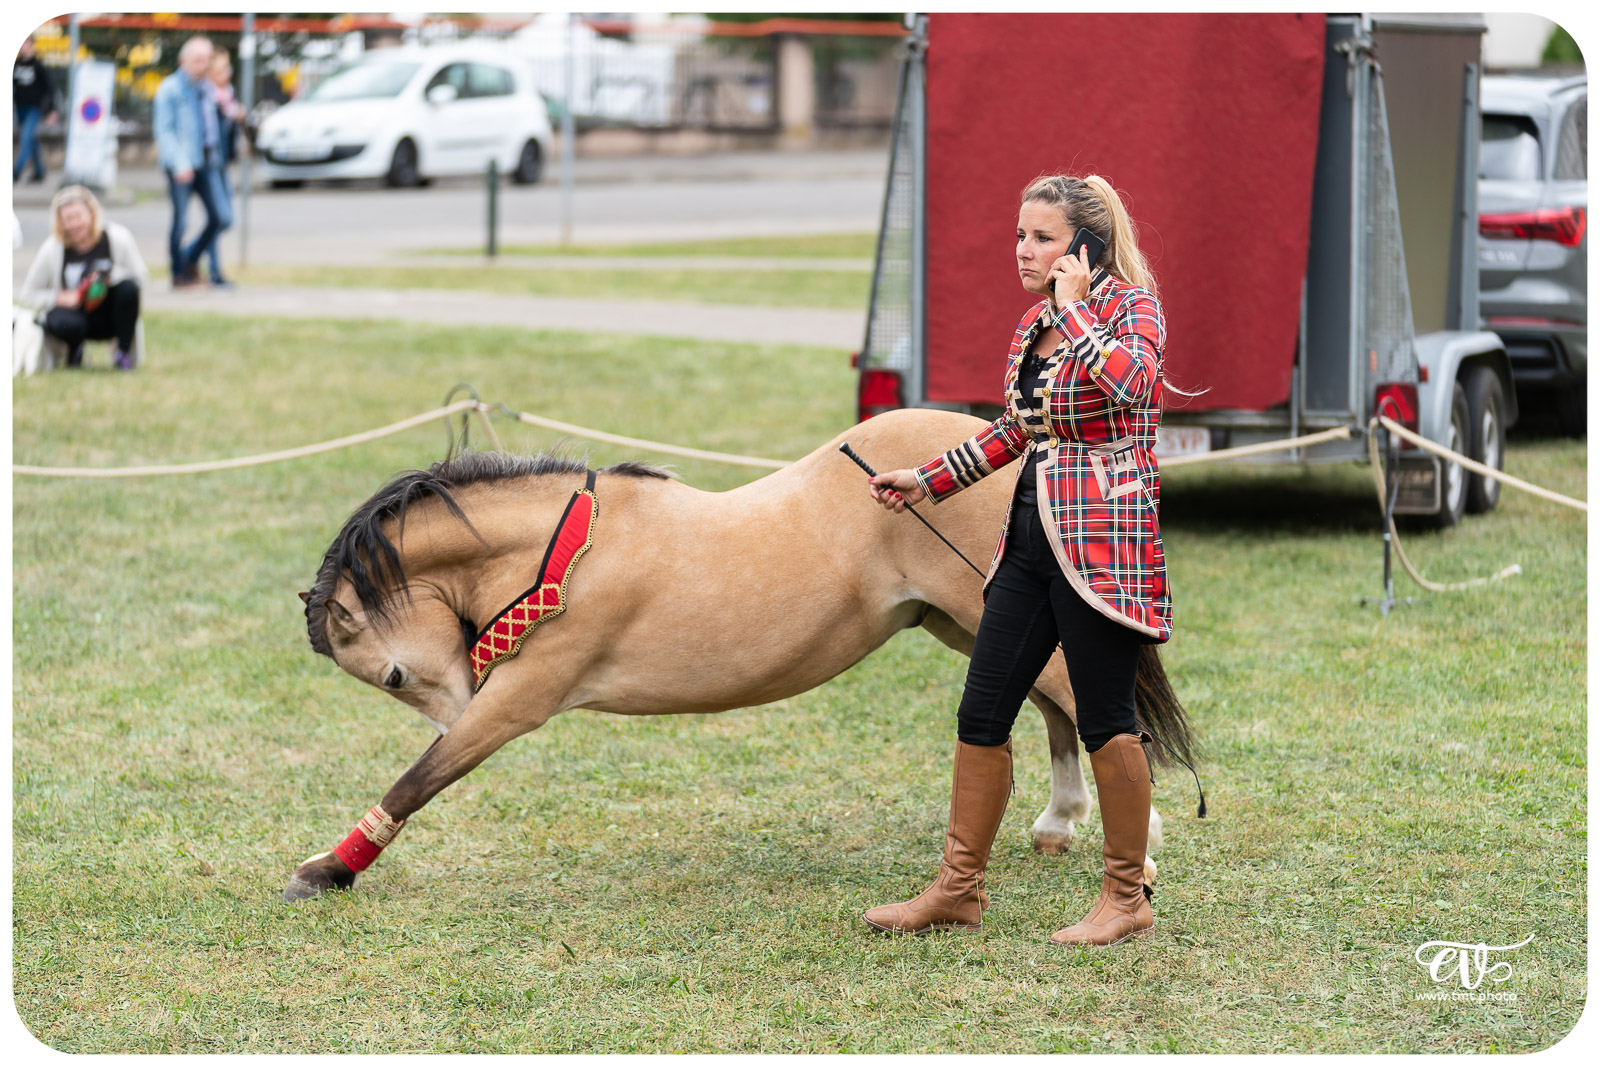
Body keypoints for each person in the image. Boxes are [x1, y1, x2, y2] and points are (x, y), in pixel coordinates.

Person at [862, 173, 1187, 947]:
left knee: (1108, 715)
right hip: (1030, 540)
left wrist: (1076, 312)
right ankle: (957, 888)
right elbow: (1015, 429)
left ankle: (1125, 894)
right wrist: (927, 479)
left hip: (1102, 547)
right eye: (1019, 234)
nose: (1023, 250)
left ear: (1084, 246)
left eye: (1041, 237)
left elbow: (1134, 384)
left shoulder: (1128, 308)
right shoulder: (1030, 325)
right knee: (982, 709)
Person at [21, 185, 149, 370]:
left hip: (106, 313)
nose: (74, 224)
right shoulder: (52, 248)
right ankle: (74, 350)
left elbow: (141, 279)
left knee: (128, 290)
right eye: (67, 219)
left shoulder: (117, 238)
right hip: (74, 316)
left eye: (78, 217)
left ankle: (122, 354)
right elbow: (28, 293)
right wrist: (63, 297)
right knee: (66, 322)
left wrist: (108, 279)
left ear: (91, 214)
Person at [152, 36, 232, 288]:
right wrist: (179, 163)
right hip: (183, 166)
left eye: (207, 59)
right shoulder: (170, 89)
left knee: (221, 217)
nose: (203, 64)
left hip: (208, 163)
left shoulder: (207, 88)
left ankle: (190, 258)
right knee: (181, 221)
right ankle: (179, 274)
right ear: (183, 60)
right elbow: (164, 131)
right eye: (198, 60)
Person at [204, 48, 244, 288]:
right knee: (220, 218)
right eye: (219, 70)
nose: (226, 74)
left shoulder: (228, 96)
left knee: (223, 220)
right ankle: (212, 269)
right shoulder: (206, 97)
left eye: (227, 68)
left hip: (223, 165)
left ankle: (199, 259)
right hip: (209, 166)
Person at [13, 35, 58, 184]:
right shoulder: (15, 65)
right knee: (31, 140)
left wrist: (52, 110)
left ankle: (16, 172)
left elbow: (49, 89)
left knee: (26, 137)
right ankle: (39, 172)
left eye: (25, 43)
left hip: (34, 109)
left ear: (31, 44)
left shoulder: (38, 66)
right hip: (19, 109)